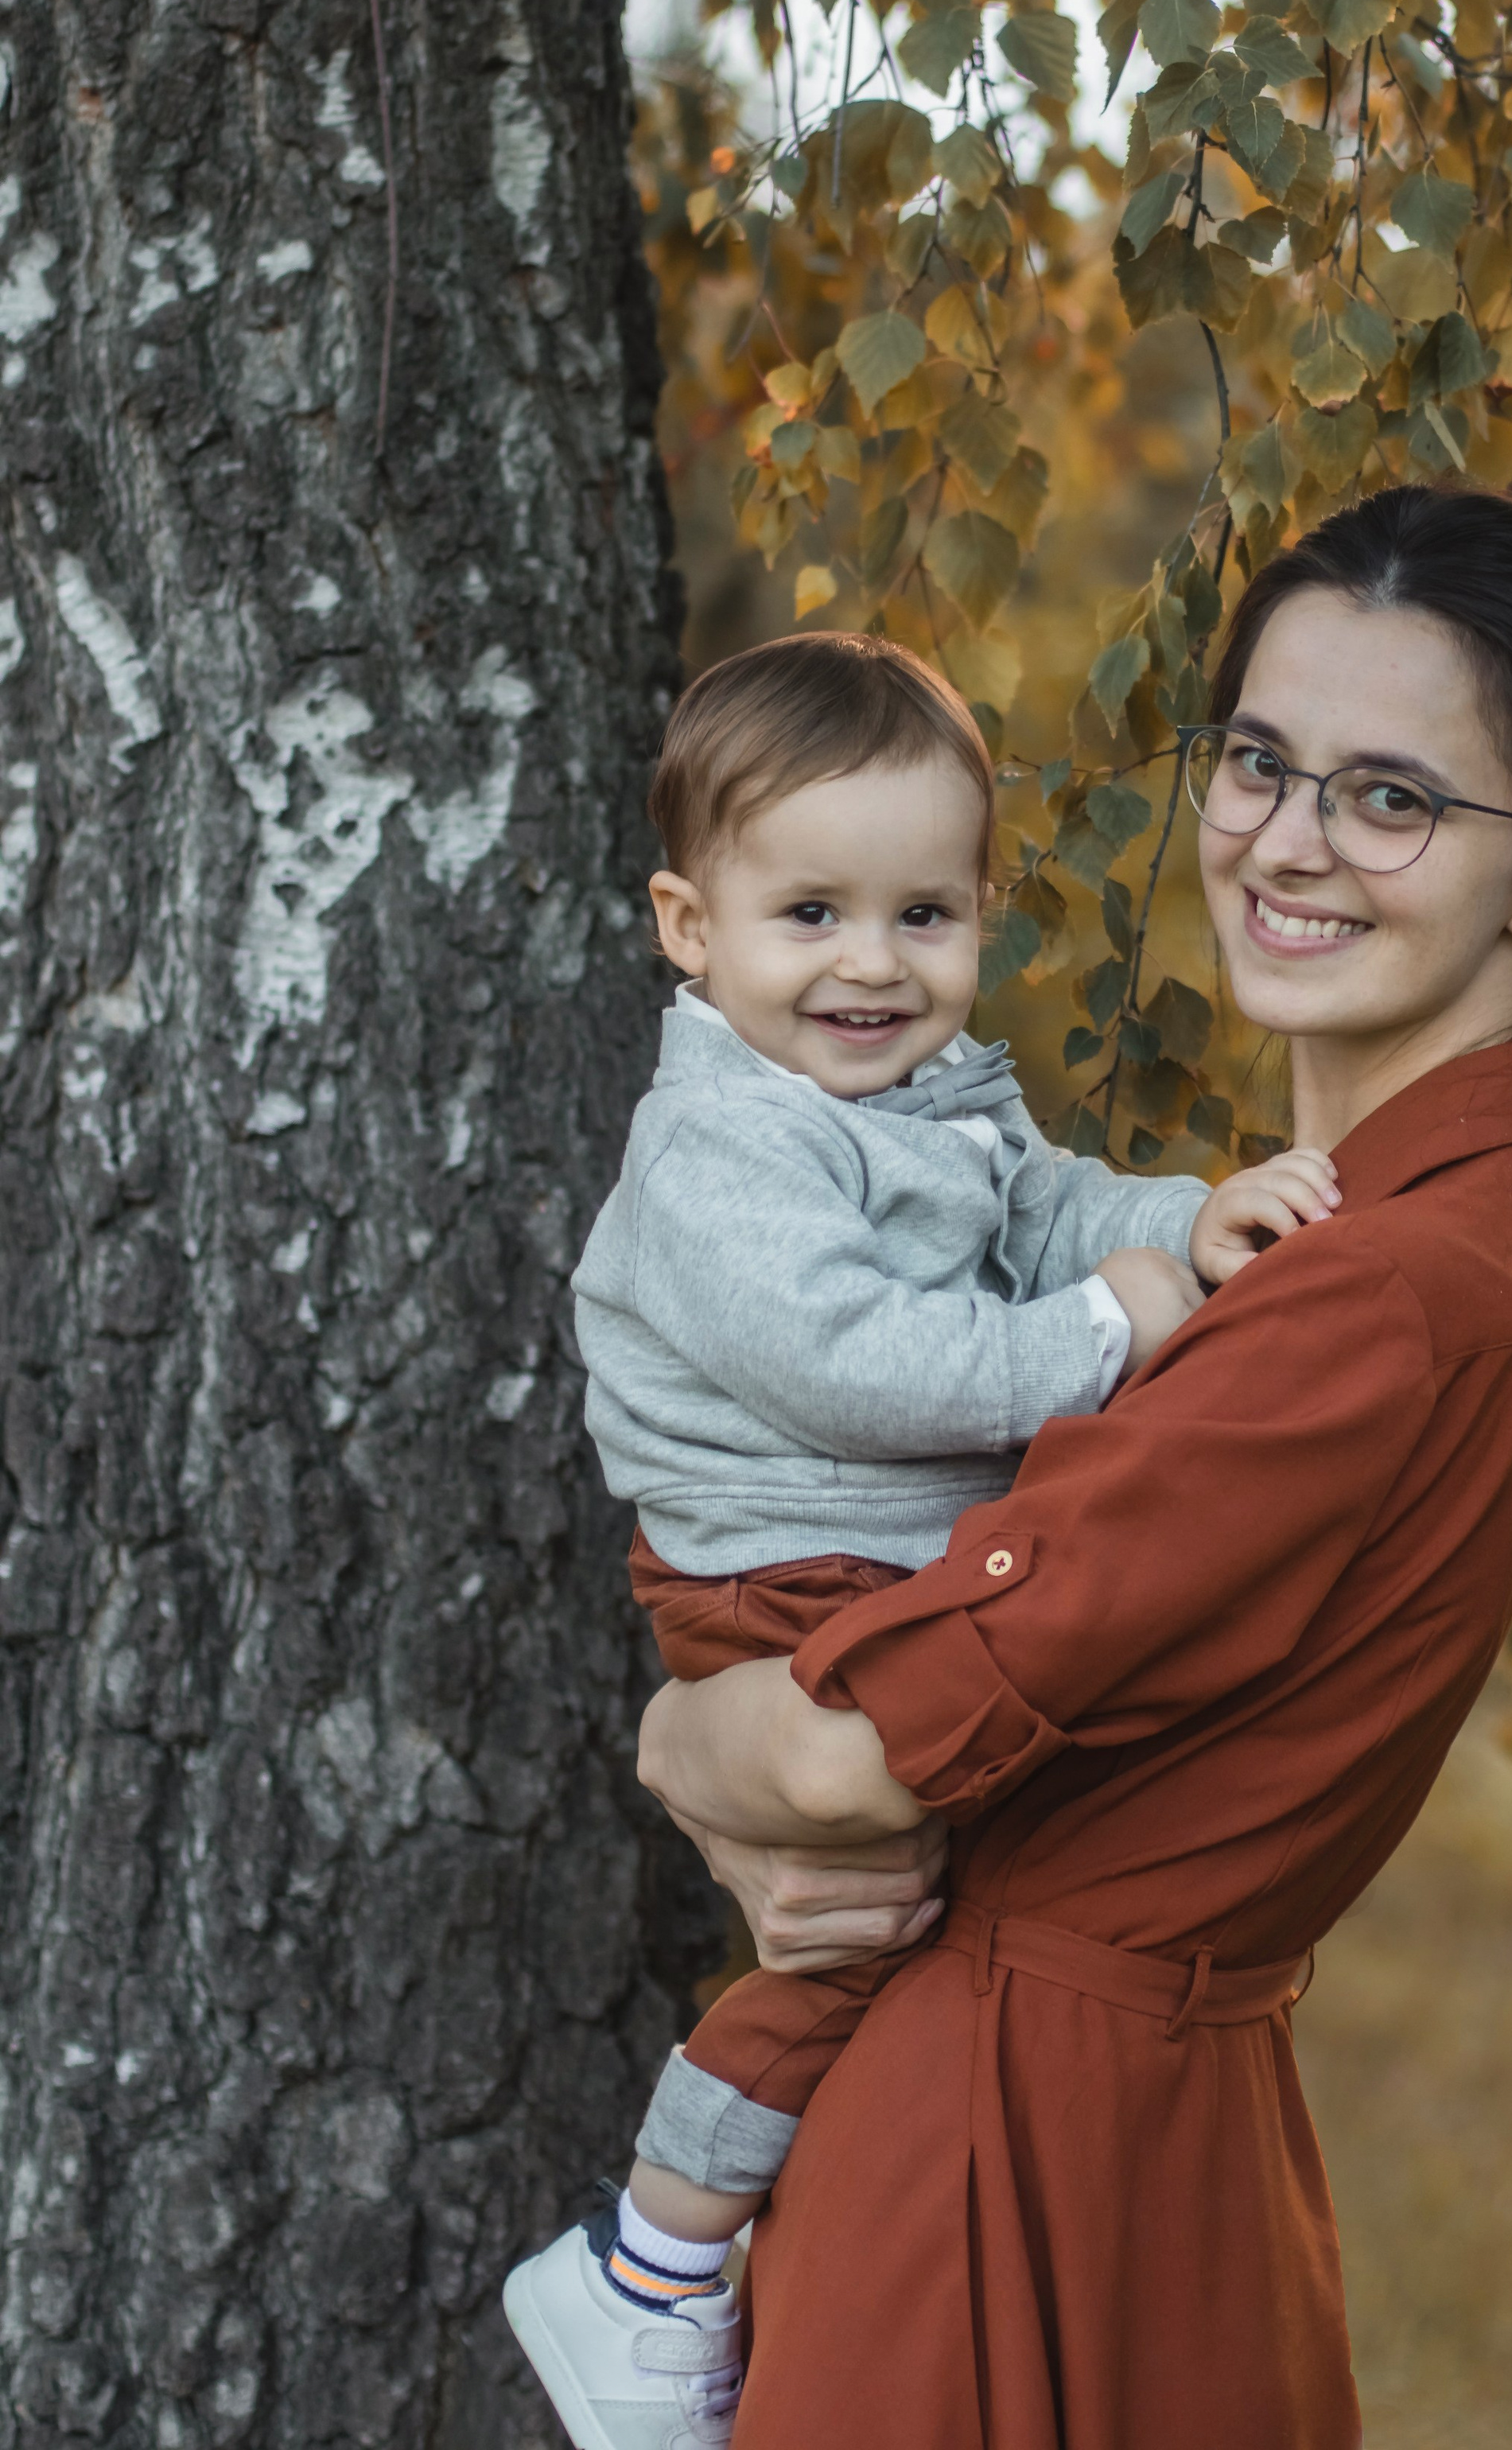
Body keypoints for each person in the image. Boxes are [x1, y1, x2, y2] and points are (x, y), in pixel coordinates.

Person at [623, 485, 1512, 2450]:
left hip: (1013, 2157)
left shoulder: (1378, 1295)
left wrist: (676, 1742)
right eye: (1258, 763)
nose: (1287, 843)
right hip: (1103, 2132)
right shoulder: (1390, 1230)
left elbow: (850, 1760)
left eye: (1392, 798)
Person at [502, 632, 1341, 2449]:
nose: (871, 966)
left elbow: (1041, 1208)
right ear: (686, 924)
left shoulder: (927, 1094)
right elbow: (854, 1367)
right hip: (780, 1568)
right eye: (808, 913)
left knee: (880, 1928)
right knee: (885, 1928)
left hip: (879, 1561)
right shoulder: (723, 1153)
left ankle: (663, 2260)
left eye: (924, 917)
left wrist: (1195, 1224)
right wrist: (1102, 1340)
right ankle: (647, 2266)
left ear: (979, 916)